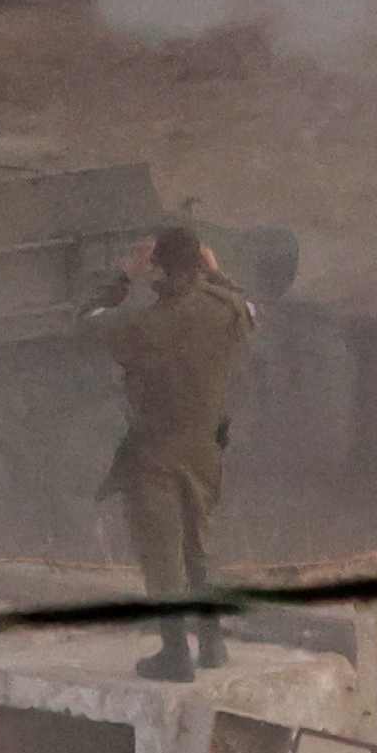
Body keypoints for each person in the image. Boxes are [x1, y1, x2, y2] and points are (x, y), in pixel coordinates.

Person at [91, 224, 257, 679]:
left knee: (161, 550)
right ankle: (212, 641)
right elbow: (248, 307)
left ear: (160, 266)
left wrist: (125, 276)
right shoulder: (228, 311)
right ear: (200, 262)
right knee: (198, 544)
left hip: (156, 451)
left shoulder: (146, 325)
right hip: (204, 447)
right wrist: (216, 273)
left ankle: (174, 654)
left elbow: (89, 321)